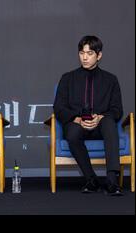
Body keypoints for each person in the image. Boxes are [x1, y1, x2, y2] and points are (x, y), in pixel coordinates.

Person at [54, 35, 124, 196]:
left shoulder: (111, 80)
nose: (84, 57)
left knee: (109, 123)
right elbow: (59, 107)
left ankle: (112, 181)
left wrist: (100, 117)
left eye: (90, 53)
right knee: (71, 133)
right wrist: (76, 119)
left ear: (99, 55)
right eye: (81, 53)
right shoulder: (67, 78)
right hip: (77, 124)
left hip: (101, 126)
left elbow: (117, 109)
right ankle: (91, 180)